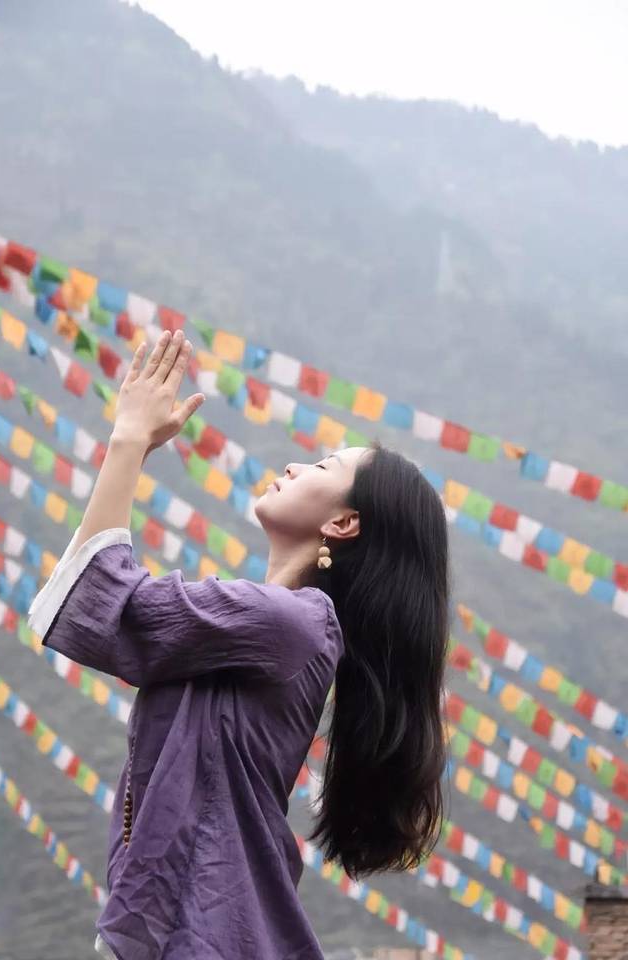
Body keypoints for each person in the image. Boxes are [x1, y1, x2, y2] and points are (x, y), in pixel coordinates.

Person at [27, 328, 450, 960]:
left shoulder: (294, 623)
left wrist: (130, 440)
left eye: (323, 467)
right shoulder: (257, 628)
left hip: (207, 928)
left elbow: (110, 605)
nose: (294, 466)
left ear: (342, 523)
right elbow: (104, 604)